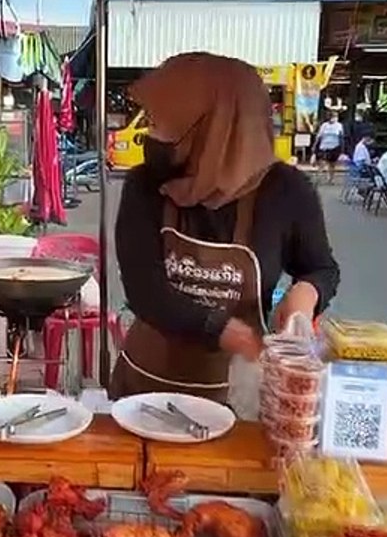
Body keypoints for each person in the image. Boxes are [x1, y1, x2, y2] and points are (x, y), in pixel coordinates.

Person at [110, 52, 340, 402]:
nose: (150, 137)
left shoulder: (286, 192)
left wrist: (305, 294)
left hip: (238, 395)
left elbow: (321, 267)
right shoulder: (145, 187)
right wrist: (223, 330)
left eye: (161, 124)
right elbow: (145, 292)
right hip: (146, 390)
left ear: (216, 127)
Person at [315, 112, 345, 184]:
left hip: (334, 147)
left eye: (336, 116)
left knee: (332, 164)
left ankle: (330, 179)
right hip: (324, 146)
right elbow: (319, 136)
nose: (334, 118)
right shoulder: (324, 125)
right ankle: (318, 178)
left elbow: (341, 136)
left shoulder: (339, 125)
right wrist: (315, 145)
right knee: (322, 162)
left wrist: (342, 149)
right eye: (333, 116)